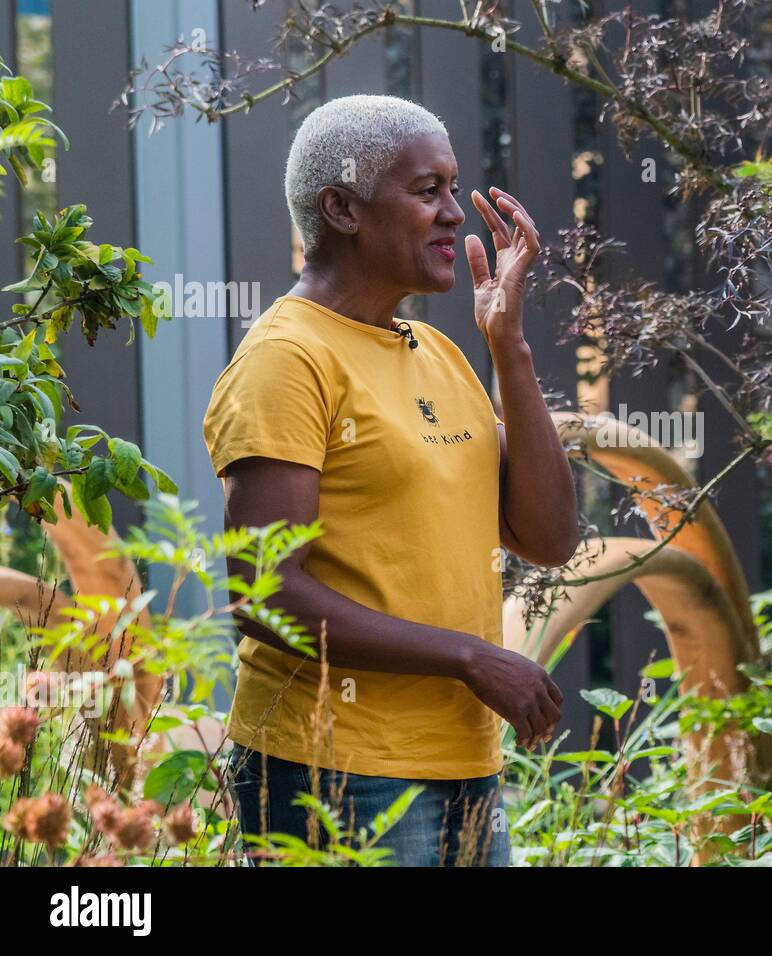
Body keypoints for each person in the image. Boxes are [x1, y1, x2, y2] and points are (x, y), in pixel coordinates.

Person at [203, 95, 579, 866]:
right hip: (334, 769)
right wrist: (472, 658)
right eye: (426, 190)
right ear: (341, 207)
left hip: (463, 764)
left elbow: (548, 537)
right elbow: (267, 597)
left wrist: (508, 347)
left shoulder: (438, 354)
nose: (453, 215)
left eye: (453, 187)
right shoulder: (287, 358)